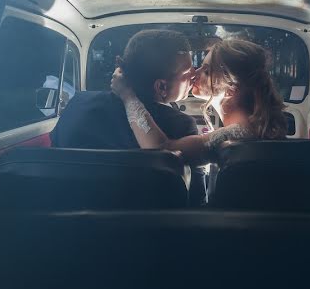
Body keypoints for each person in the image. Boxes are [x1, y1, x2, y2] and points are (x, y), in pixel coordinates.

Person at [50, 29, 209, 205]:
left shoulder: (77, 104)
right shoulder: (182, 125)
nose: (194, 75)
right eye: (188, 73)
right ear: (161, 87)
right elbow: (196, 200)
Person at [111, 38, 287, 169]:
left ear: (231, 89)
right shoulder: (253, 127)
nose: (195, 73)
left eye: (207, 71)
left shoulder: (238, 133)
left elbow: (161, 150)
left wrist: (127, 95)